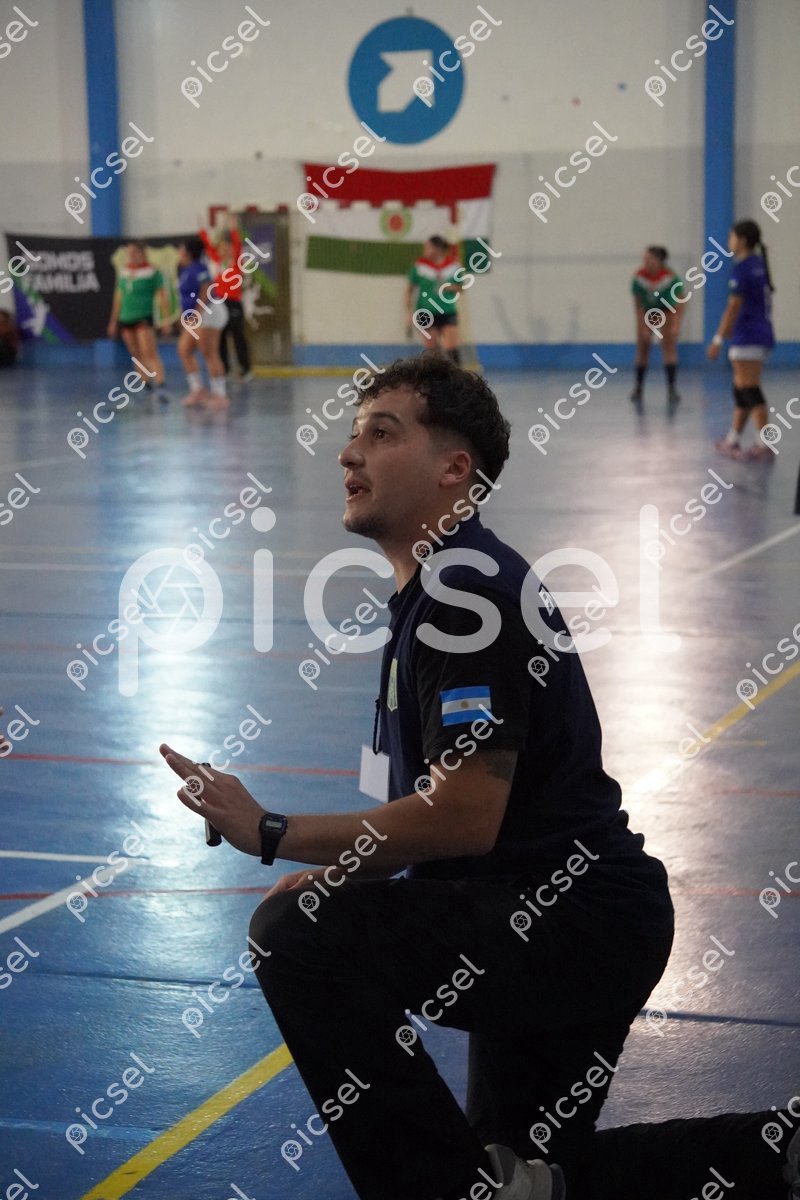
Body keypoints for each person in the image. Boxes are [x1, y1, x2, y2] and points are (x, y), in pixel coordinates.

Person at [161, 356, 799, 1200]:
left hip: (569, 915)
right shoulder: (435, 592)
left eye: (381, 434)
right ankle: (775, 1153)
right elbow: (427, 812)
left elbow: (464, 815)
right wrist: (348, 867)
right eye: (352, 435)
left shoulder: (469, 594)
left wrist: (273, 832)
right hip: (550, 910)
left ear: (454, 468)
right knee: (530, 1182)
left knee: (295, 934)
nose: (349, 453)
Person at [707, 219, 775, 461]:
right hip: (757, 333)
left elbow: (733, 306)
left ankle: (764, 442)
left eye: (731, 237)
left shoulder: (743, 269)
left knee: (750, 389)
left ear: (742, 240)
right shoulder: (758, 265)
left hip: (748, 335)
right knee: (741, 390)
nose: (729, 241)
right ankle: (733, 438)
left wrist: (718, 338)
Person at [106, 241, 170, 401]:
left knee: (149, 351)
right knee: (135, 353)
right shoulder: (125, 272)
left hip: (143, 316)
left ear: (142, 253)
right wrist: (114, 321)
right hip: (126, 317)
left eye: (134, 252)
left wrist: (166, 319)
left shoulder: (152, 271)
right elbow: (118, 297)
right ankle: (145, 384)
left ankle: (161, 384)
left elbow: (162, 296)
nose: (131, 256)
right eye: (129, 253)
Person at [174, 237, 229, 409]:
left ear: (188, 252)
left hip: (209, 312)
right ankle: (198, 390)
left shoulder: (200, 268)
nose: (179, 251)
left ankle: (220, 394)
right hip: (196, 315)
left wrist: (197, 313)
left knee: (209, 353)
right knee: (184, 349)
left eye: (181, 248)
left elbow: (206, 290)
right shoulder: (185, 269)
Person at [630, 246, 684, 409]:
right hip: (647, 312)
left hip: (666, 311)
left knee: (668, 347)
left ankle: (672, 388)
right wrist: (642, 326)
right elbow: (638, 303)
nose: (645, 262)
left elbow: (679, 302)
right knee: (642, 347)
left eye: (648, 259)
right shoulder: (639, 277)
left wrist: (676, 324)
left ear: (658, 260)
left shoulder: (670, 278)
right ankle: (638, 387)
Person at [200, 221, 252, 381]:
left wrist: (233, 227)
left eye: (227, 247)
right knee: (220, 337)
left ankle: (245, 369)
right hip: (219, 304)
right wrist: (202, 230)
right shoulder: (217, 262)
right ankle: (225, 369)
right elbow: (208, 247)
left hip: (233, 303)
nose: (224, 250)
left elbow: (237, 245)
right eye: (221, 247)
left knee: (237, 337)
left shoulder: (236, 262)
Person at [407, 236, 462, 364]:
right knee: (431, 350)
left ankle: (455, 374)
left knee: (451, 348)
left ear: (438, 249)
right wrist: (408, 311)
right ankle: (435, 375)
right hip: (426, 310)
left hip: (447, 310)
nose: (425, 251)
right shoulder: (420, 266)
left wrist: (448, 286)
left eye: (428, 248)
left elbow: (460, 287)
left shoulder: (453, 267)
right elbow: (409, 289)